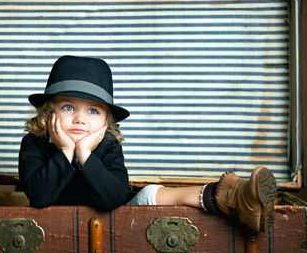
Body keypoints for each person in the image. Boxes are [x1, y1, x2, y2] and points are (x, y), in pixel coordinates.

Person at [19, 55, 277, 232]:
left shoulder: (106, 145)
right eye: (68, 107)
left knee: (150, 193)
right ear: (47, 111)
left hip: (115, 216)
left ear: (107, 121)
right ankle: (241, 200)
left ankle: (238, 198)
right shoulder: (35, 144)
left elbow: (113, 199)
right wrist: (65, 151)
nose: (79, 119)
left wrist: (85, 154)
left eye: (93, 111)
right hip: (56, 224)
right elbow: (40, 197)